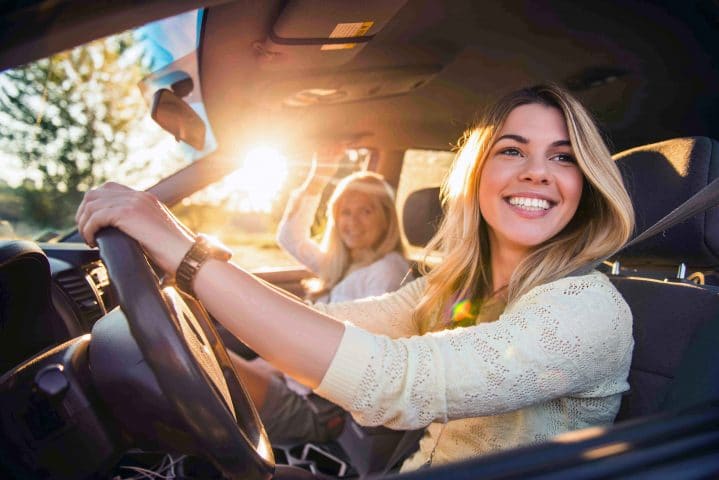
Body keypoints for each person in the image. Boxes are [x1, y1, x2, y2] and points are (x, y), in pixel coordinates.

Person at [76, 84, 635, 471]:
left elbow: (399, 383)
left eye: (563, 157)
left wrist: (185, 251)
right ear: (478, 177)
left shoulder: (587, 310)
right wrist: (192, 287)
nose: (537, 170)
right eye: (512, 150)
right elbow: (325, 324)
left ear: (585, 184)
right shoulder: (458, 288)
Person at [234, 154, 412, 444]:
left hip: (322, 404)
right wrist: (317, 179)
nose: (352, 222)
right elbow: (291, 237)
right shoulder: (344, 263)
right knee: (210, 364)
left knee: (204, 367)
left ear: (386, 218)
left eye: (365, 211)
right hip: (296, 377)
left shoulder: (388, 270)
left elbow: (363, 355)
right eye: (345, 211)